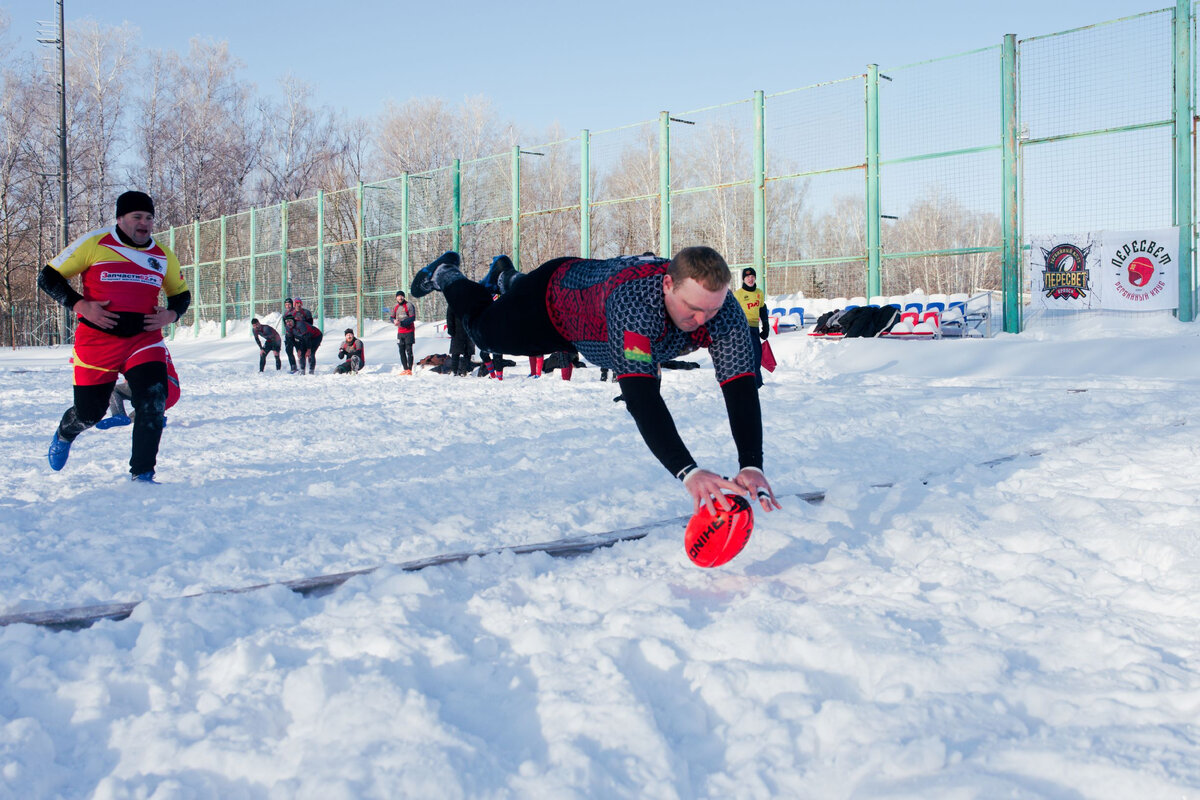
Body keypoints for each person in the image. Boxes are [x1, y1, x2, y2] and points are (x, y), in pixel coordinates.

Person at [411, 246, 780, 515]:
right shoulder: (636, 304)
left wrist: (751, 462)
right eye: (693, 308)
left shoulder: (725, 311)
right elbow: (642, 397)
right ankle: (447, 273)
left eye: (711, 309)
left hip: (587, 311)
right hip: (550, 304)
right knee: (484, 334)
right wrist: (689, 471)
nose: (703, 319)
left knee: (511, 300)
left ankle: (507, 277)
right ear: (667, 284)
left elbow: (740, 386)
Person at [36, 190, 190, 482]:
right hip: (97, 342)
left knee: (154, 399)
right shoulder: (96, 243)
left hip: (144, 340)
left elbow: (180, 295)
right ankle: (65, 432)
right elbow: (48, 277)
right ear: (120, 219)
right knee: (89, 412)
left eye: (148, 217)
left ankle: (142, 474)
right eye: (137, 217)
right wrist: (80, 305)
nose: (144, 223)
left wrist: (170, 315)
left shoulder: (162, 255)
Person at [97, 350, 181, 429]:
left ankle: (119, 415)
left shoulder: (140, 343)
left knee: (113, 390)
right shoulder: (159, 344)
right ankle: (157, 419)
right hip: (173, 393)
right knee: (134, 418)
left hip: (154, 388)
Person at [734, 267, 771, 387]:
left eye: (752, 277)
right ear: (743, 279)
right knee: (744, 357)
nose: (750, 279)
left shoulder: (759, 293)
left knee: (757, 355)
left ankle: (757, 383)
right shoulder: (738, 294)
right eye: (747, 277)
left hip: (754, 328)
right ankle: (747, 384)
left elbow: (762, 310)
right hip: (742, 329)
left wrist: (766, 326)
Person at [390, 290, 416, 374]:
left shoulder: (409, 305)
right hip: (400, 332)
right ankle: (405, 369)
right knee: (401, 350)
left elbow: (412, 318)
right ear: (396, 297)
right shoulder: (395, 306)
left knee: (409, 350)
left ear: (404, 297)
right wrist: (393, 321)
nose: (400, 298)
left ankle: (410, 369)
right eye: (398, 296)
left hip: (409, 331)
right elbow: (391, 317)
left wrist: (402, 323)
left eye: (401, 296)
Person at [445, 306, 475, 376]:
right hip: (459, 329)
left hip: (467, 328)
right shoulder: (454, 300)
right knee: (457, 352)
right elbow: (450, 315)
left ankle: (464, 371)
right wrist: (451, 329)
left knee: (466, 352)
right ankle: (455, 370)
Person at [282, 298, 299, 372]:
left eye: (289, 304)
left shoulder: (296, 312)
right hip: (289, 336)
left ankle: (303, 367)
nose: (288, 306)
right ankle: (293, 367)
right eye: (286, 305)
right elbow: (286, 326)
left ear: (292, 305)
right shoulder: (285, 315)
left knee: (300, 352)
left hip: (297, 335)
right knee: (289, 351)